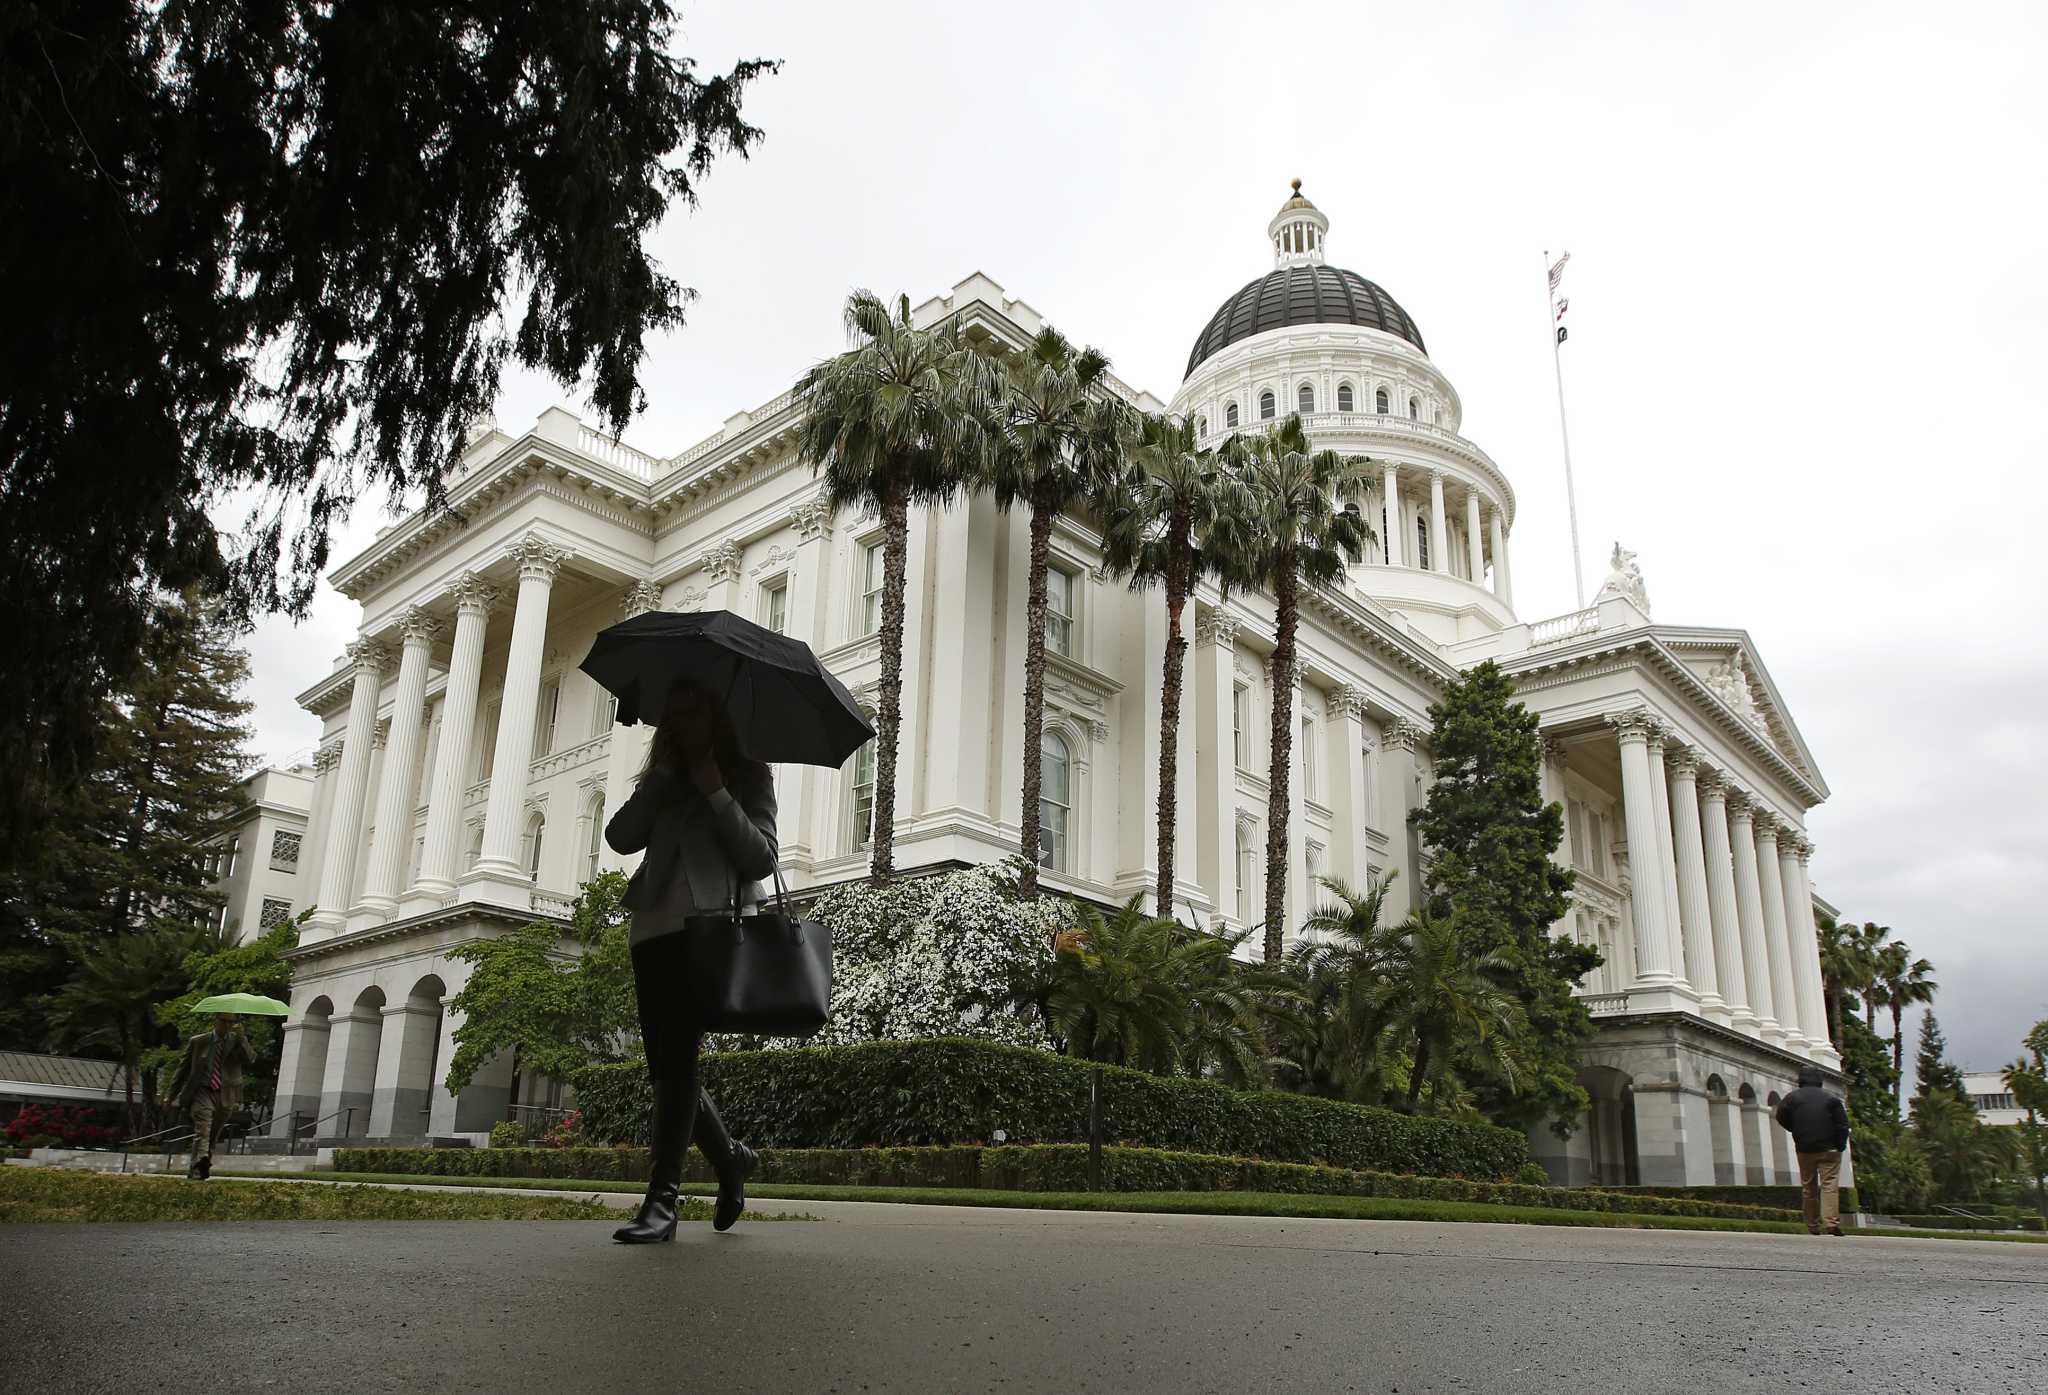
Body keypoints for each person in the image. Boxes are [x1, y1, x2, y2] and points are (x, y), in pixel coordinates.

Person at [604, 684, 778, 1244]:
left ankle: (663, 1201)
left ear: (716, 717)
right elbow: (620, 838)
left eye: (692, 711)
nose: (682, 723)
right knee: (668, 1068)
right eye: (674, 714)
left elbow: (761, 857)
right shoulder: (662, 779)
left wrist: (716, 792)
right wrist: (657, 783)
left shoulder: (749, 773)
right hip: (651, 931)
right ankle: (730, 1160)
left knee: (676, 1063)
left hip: (712, 933)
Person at [168, 1014, 253, 1180]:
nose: (227, 1025)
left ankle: (199, 1166)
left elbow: (250, 1059)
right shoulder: (199, 1041)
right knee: (203, 1129)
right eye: (224, 1021)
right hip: (202, 1090)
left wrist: (243, 1039)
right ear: (216, 1021)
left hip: (226, 1092)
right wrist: (171, 1095)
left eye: (231, 1022)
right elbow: (182, 1070)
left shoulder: (237, 1041)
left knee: (213, 1134)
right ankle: (201, 1163)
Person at [1774, 1065, 1852, 1235]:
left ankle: (1813, 1225)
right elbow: (1842, 1124)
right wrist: (1840, 1145)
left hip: (1805, 1147)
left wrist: (1795, 1129)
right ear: (1820, 1081)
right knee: (1829, 1185)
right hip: (1830, 1148)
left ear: (1801, 1080)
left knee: (1808, 1187)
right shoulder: (1831, 1099)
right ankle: (1831, 1222)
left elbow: (1780, 1117)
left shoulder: (1791, 1099)